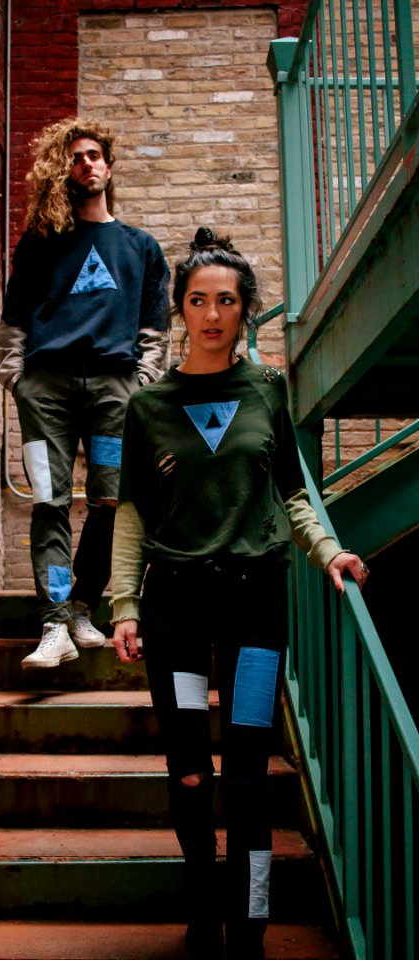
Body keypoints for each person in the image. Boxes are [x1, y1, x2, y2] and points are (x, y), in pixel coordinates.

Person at [110, 227, 370, 960]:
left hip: (256, 607)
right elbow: (131, 513)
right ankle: (204, 910)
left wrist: (328, 552)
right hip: (177, 612)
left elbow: (290, 493)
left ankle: (251, 924)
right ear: (180, 310)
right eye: (198, 301)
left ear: (245, 310)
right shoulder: (149, 407)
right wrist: (124, 604)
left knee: (250, 779)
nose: (212, 313)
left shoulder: (267, 390)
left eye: (226, 300)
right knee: (192, 773)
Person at [0, 117, 170, 670]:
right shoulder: (41, 242)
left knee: (112, 503)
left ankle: (80, 608)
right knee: (48, 501)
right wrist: (15, 378)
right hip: (45, 387)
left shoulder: (140, 248)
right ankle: (52, 625)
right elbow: (14, 318)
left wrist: (140, 386)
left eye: (94, 155)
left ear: (108, 166)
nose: (87, 163)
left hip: (115, 390)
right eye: (75, 158)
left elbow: (155, 328)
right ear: (61, 171)